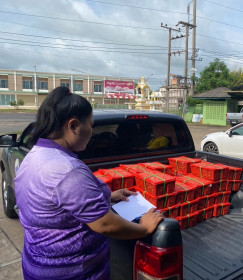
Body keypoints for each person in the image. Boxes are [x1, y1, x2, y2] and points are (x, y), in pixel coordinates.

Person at [15, 87, 164, 279]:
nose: (92, 132)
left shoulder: (37, 155)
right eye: (91, 125)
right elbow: (105, 224)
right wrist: (144, 228)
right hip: (72, 271)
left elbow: (58, 201)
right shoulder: (67, 170)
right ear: (74, 125)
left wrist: (108, 196)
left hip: (39, 263)